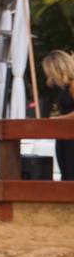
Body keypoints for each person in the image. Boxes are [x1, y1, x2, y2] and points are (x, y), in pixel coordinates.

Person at [41, 50, 74, 180]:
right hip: (64, 136)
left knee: (70, 175)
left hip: (70, 137)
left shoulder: (72, 85)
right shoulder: (64, 86)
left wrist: (58, 119)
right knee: (66, 175)